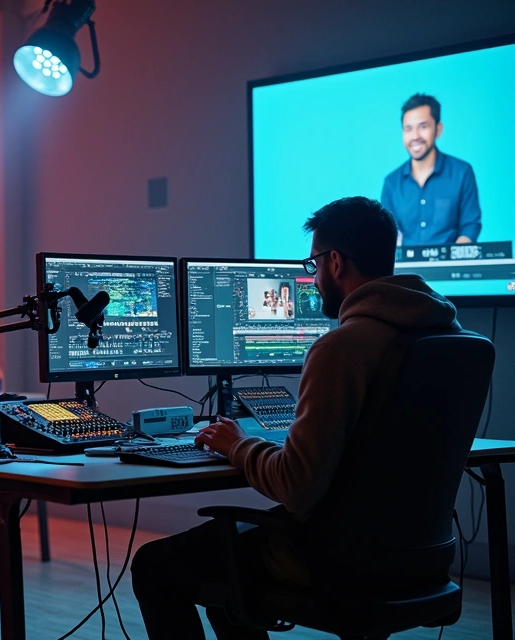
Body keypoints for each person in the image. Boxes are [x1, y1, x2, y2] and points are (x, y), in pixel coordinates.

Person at [130, 196, 460, 639]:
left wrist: (237, 444)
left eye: (314, 264)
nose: (314, 277)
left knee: (155, 565)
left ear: (336, 262)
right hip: (420, 556)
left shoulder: (342, 348)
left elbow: (297, 486)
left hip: (337, 555)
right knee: (224, 582)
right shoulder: (448, 338)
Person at [380, 93, 481, 247]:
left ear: (438, 129)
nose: (415, 136)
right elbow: (386, 233)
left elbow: (470, 225)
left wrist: (452, 262)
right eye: (408, 129)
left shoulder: (462, 172)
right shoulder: (391, 182)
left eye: (423, 126)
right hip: (404, 269)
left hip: (451, 267)